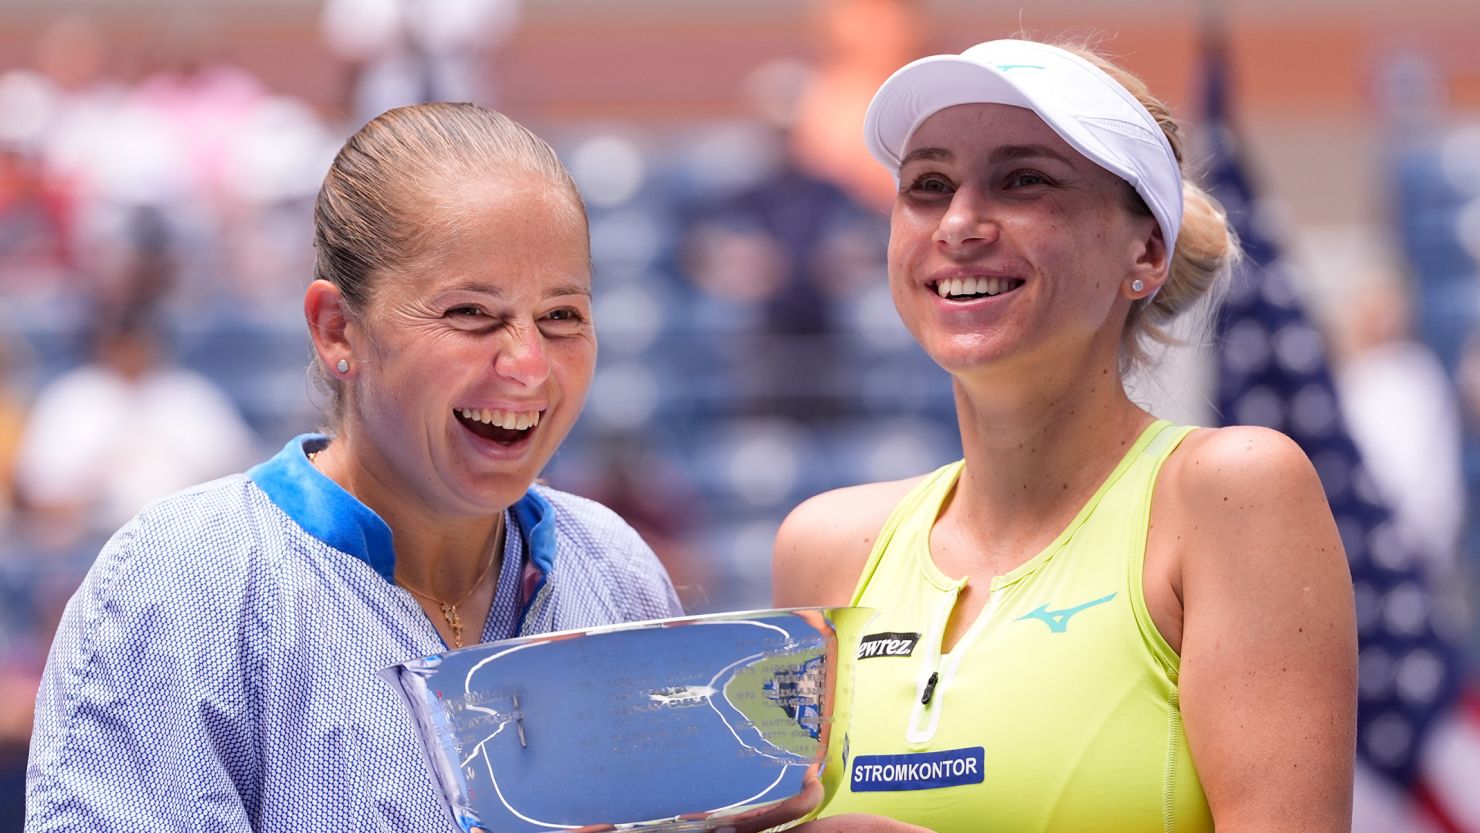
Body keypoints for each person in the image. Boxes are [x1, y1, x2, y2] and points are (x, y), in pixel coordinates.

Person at [25, 102, 683, 831]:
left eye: (561, 316)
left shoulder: (617, 575)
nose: (527, 366)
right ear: (339, 330)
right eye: (471, 313)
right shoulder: (180, 588)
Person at [773, 38, 1358, 832]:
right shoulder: (822, 543)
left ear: (1145, 250)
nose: (960, 222)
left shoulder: (1231, 491)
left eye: (1024, 181)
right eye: (928, 186)